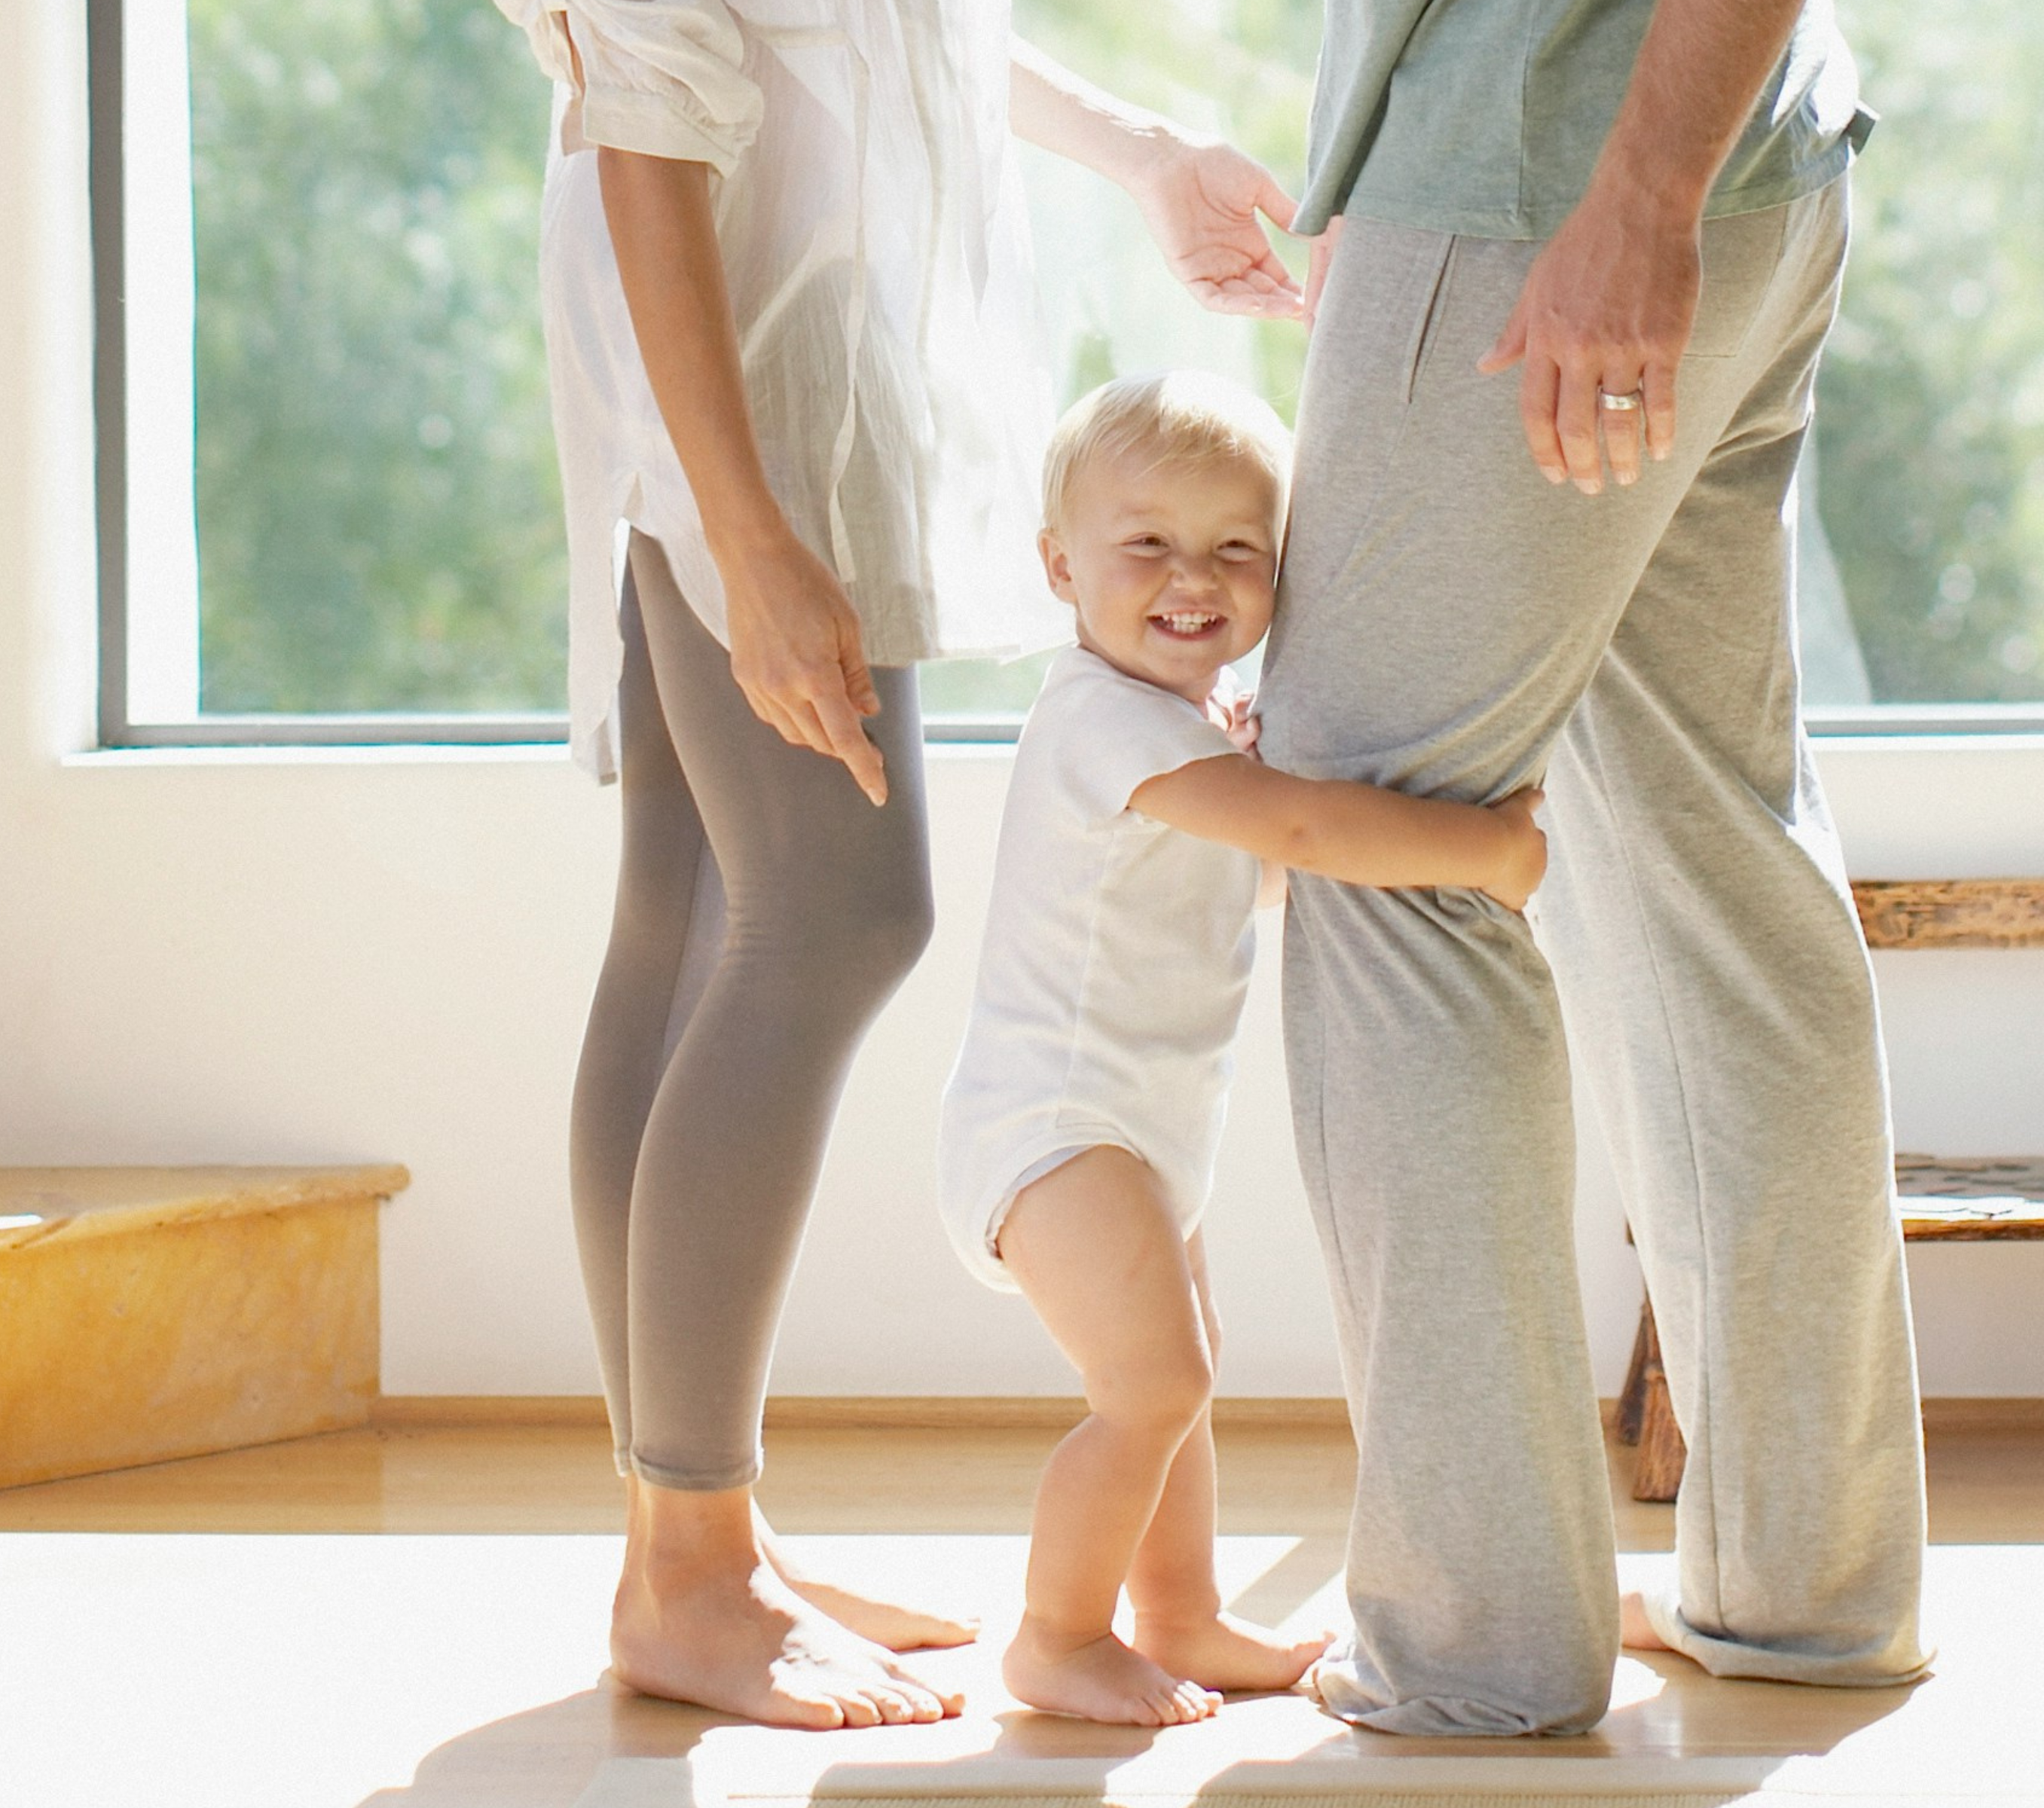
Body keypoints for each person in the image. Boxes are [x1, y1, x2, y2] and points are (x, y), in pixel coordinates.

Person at [493, 0, 1315, 1733]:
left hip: (794, 334)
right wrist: (745, 527)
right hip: (730, 352)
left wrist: (1147, 153)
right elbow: (648, 131)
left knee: (693, 908)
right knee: (831, 915)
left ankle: (691, 1537)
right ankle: (692, 1571)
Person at [1251, 0, 1933, 1737]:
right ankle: (1811, 1599)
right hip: (1721, 169)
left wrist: (1632, 197)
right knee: (1716, 865)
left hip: (1549, 182)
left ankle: (1479, 1650)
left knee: (1379, 848)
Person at [935, 372, 1547, 1726]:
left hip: (1137, 1126)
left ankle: (1178, 1616)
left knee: (1183, 1374)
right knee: (1150, 1383)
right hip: (1056, 1125)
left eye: (1236, 551)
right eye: (1145, 545)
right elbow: (1312, 839)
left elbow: (1249, 879)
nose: (1190, 579)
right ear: (1059, 567)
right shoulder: (1102, 720)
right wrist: (1486, 850)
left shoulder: (1181, 732)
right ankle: (1055, 1637)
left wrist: (1260, 793)